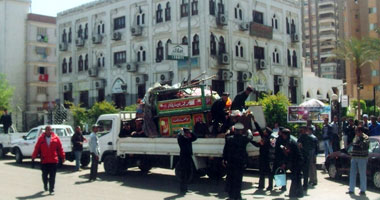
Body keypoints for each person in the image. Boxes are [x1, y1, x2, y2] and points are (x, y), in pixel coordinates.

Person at [32, 125, 65, 195]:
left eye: (50, 130)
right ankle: (45, 185)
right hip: (44, 161)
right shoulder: (41, 139)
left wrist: (63, 157)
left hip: (53, 160)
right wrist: (33, 156)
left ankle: (51, 189)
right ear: (45, 131)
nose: (49, 131)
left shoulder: (56, 138)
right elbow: (37, 148)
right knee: (44, 175)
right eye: (47, 130)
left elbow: (60, 148)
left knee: (52, 176)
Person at [223, 123, 252, 200]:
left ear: (234, 130)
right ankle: (237, 195)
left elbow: (225, 150)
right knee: (238, 179)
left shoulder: (229, 139)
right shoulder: (243, 139)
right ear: (241, 131)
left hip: (231, 162)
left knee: (230, 178)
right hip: (240, 162)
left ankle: (231, 195)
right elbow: (250, 137)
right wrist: (249, 131)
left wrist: (224, 159)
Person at [251, 118, 275, 191]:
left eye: (265, 131)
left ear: (267, 133)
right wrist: (254, 120)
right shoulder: (264, 137)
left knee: (268, 172)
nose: (263, 131)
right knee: (261, 171)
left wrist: (250, 140)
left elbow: (259, 144)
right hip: (262, 157)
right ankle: (261, 185)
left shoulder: (269, 140)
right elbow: (259, 129)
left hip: (267, 158)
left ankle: (270, 186)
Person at [281, 128, 304, 198]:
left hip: (296, 162)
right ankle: (299, 193)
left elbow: (289, 154)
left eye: (283, 135)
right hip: (297, 161)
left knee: (294, 178)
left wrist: (285, 163)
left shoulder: (290, 142)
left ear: (285, 135)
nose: (282, 136)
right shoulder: (291, 141)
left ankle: (293, 193)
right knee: (297, 178)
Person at [348, 126, 369, 195]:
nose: (356, 132)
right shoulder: (355, 137)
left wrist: (359, 140)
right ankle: (351, 189)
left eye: (357, 131)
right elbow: (353, 145)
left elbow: (363, 145)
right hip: (354, 157)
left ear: (360, 131)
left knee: (362, 174)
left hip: (362, 158)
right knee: (352, 173)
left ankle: (363, 190)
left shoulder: (365, 137)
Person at [177, 127, 197, 193]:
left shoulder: (188, 138)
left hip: (189, 156)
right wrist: (182, 132)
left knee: (188, 173)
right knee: (183, 174)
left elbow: (195, 137)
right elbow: (180, 137)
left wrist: (191, 132)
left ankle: (185, 188)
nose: (188, 134)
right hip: (183, 157)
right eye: (187, 132)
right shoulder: (181, 138)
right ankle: (182, 189)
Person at [297, 126, 314, 192]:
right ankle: (300, 185)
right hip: (300, 156)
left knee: (305, 172)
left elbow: (311, 147)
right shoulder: (300, 137)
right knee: (299, 171)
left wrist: (303, 147)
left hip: (306, 156)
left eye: (303, 130)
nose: (302, 131)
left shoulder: (309, 138)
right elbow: (297, 144)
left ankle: (305, 185)